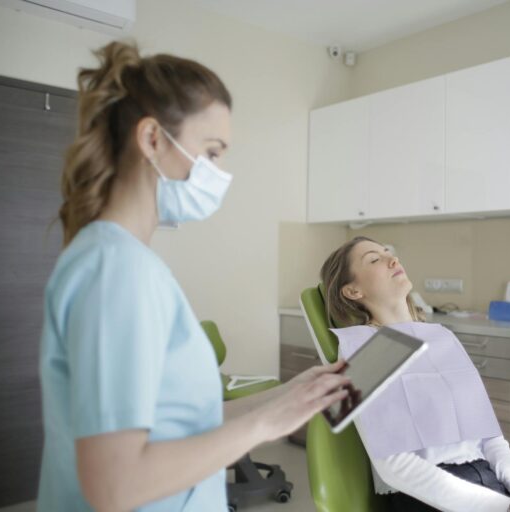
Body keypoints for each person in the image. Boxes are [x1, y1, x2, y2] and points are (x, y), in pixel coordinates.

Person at [37, 41, 350, 512]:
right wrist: (265, 427)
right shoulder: (116, 270)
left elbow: (183, 422)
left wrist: (289, 398)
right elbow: (114, 485)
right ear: (152, 139)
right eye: (212, 152)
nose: (219, 174)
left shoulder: (125, 262)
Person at [320, 236, 510, 512]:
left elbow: (489, 436)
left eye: (388, 253)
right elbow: (395, 467)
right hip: (427, 497)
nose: (392, 260)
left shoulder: (441, 337)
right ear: (353, 291)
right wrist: (508, 508)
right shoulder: (361, 349)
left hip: (490, 486)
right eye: (374, 259)